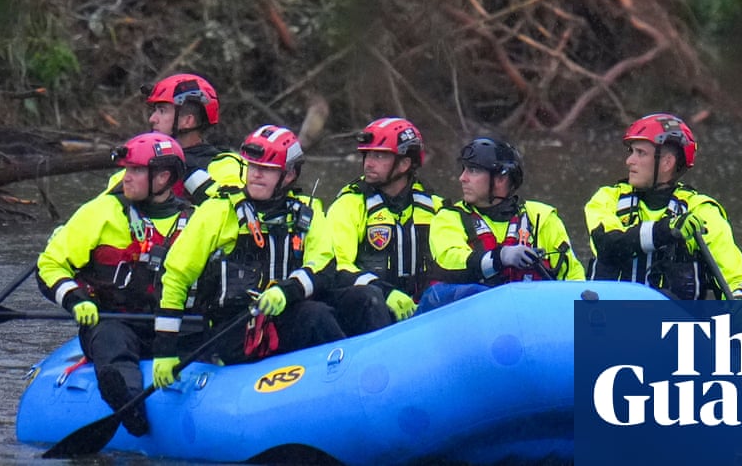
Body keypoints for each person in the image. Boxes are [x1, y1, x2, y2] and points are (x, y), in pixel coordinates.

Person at [151, 125, 345, 387]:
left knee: (351, 303)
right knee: (315, 317)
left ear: (288, 176)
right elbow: (175, 276)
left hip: (285, 314)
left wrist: (287, 290)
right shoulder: (218, 212)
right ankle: (340, 382)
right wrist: (164, 351)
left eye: (266, 170)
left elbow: (324, 265)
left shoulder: (308, 212)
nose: (255, 175)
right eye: (252, 167)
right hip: (232, 329)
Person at [36, 132, 191, 437]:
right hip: (114, 320)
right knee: (112, 339)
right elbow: (50, 265)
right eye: (126, 169)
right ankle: (128, 404)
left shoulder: (196, 220)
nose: (125, 177)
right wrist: (76, 299)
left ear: (162, 177)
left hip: (173, 324)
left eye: (135, 171)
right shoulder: (101, 212)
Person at [584, 113, 742, 300]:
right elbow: (608, 244)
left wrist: (741, 300)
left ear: (667, 162)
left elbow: (734, 277)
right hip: (607, 322)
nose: (629, 161)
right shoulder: (607, 199)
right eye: (631, 152)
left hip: (672, 325)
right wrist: (665, 231)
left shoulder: (701, 211)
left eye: (640, 153)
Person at [419, 137, 585, 313]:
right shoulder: (448, 218)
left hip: (530, 316)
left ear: (500, 179)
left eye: (473, 171)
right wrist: (500, 257)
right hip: (470, 319)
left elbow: (573, 277)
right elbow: (450, 263)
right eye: (464, 170)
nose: (462, 178)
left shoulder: (542, 217)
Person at [326, 117, 443, 331]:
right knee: (369, 298)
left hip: (418, 306)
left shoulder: (435, 207)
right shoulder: (349, 205)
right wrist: (384, 291)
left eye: (379, 156)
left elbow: (452, 259)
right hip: (369, 307)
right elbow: (336, 265)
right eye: (367, 155)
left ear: (404, 163)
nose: (368, 163)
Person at [106, 73, 243, 203]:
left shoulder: (225, 165)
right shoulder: (136, 167)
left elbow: (238, 209)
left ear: (188, 121)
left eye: (162, 111)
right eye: (155, 111)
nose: (152, 119)